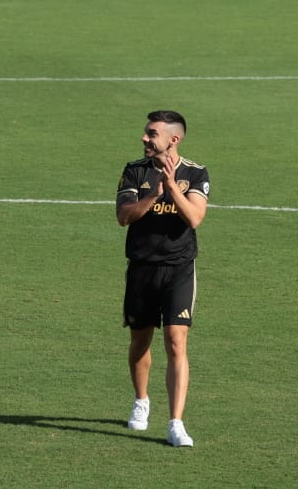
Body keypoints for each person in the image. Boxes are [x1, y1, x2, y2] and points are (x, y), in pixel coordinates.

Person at [116, 110, 208, 450]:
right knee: (140, 342)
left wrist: (172, 187)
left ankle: (175, 423)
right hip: (142, 267)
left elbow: (195, 218)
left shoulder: (195, 173)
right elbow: (123, 217)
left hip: (179, 268)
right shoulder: (134, 171)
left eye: (151, 134)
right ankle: (141, 400)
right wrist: (154, 194)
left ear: (173, 139)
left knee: (175, 341)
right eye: (145, 132)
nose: (144, 138)